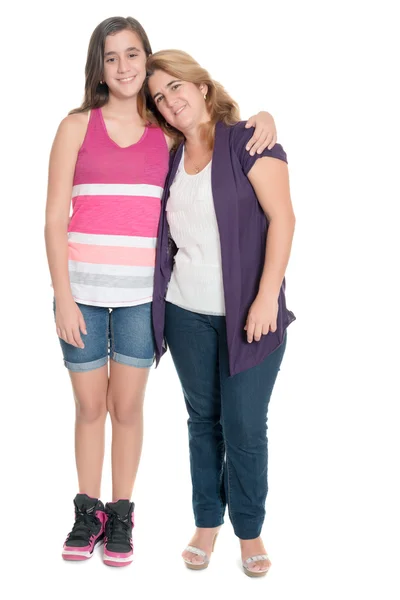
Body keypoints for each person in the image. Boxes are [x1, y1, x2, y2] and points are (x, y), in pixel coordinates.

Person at [45, 16, 278, 567]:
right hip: (82, 292)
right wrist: (63, 295)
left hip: (140, 300)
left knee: (126, 407)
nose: (123, 67)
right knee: (88, 405)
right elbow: (55, 218)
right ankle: (88, 510)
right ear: (98, 68)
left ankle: (122, 512)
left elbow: (216, 134)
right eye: (111, 57)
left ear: (147, 60)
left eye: (133, 55)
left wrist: (263, 117)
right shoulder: (77, 126)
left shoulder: (164, 135)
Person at [147, 50, 296, 577]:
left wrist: (264, 297)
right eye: (160, 97)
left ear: (202, 87)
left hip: (249, 317)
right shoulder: (167, 155)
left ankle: (249, 530)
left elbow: (283, 218)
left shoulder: (249, 140)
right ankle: (207, 520)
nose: (170, 101)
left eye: (176, 88)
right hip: (185, 314)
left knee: (245, 428)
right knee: (202, 423)